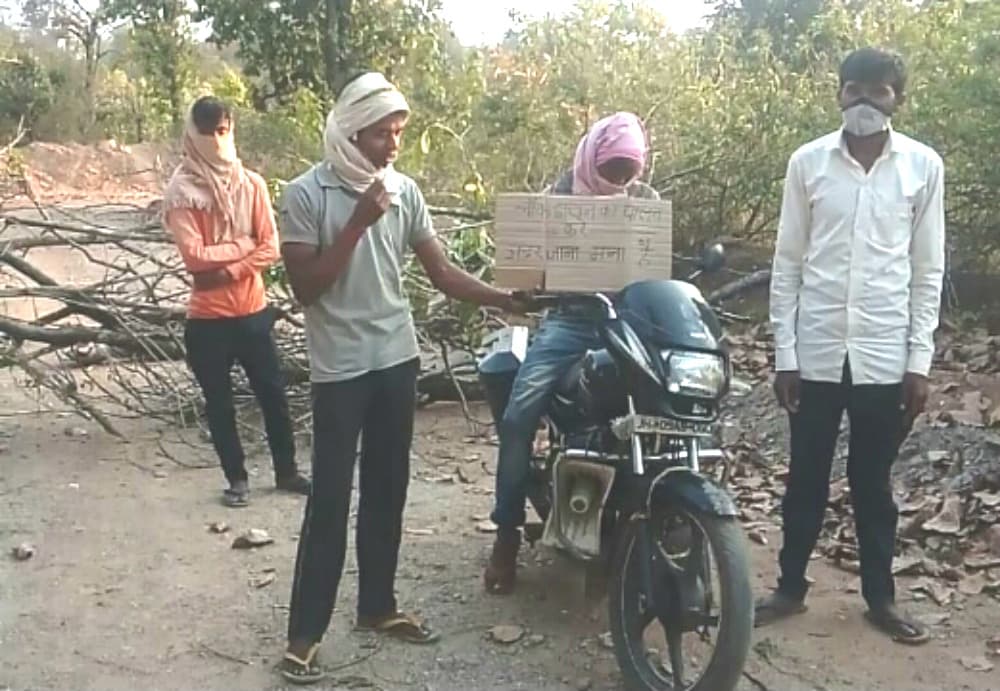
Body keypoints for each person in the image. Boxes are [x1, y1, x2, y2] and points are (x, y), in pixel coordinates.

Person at [276, 72, 522, 684]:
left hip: (395, 359)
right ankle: (304, 634)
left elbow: (441, 273)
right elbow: (306, 288)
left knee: (388, 488)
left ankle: (377, 606)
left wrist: (505, 299)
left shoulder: (403, 191)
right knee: (331, 500)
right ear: (350, 133)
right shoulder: (306, 194)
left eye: (398, 132)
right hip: (340, 369)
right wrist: (358, 222)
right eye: (382, 133)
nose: (393, 145)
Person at [757, 48, 945, 645]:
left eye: (878, 90)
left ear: (898, 99)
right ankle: (790, 588)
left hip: (884, 353)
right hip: (815, 350)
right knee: (806, 477)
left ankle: (880, 600)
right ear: (838, 93)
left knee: (873, 484)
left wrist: (919, 363)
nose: (864, 100)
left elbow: (927, 270)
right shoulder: (807, 163)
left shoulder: (923, 167)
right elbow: (788, 263)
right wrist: (786, 354)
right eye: (853, 88)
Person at [484, 112, 660, 595]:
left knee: (668, 405)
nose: (620, 179)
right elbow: (526, 270)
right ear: (592, 159)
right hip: (570, 322)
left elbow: (654, 269)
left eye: (628, 170)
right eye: (612, 168)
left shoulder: (645, 201)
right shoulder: (558, 197)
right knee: (519, 417)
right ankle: (506, 532)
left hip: (630, 322)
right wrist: (528, 284)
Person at [163, 96, 310, 508]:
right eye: (207, 132)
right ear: (193, 133)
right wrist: (244, 245)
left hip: (253, 313)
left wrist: (228, 270)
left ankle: (287, 471)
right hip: (207, 321)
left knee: (273, 395)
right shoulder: (182, 192)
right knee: (220, 405)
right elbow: (195, 258)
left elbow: (270, 247)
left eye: (222, 130)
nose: (216, 140)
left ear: (231, 129)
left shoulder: (252, 185)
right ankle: (237, 480)